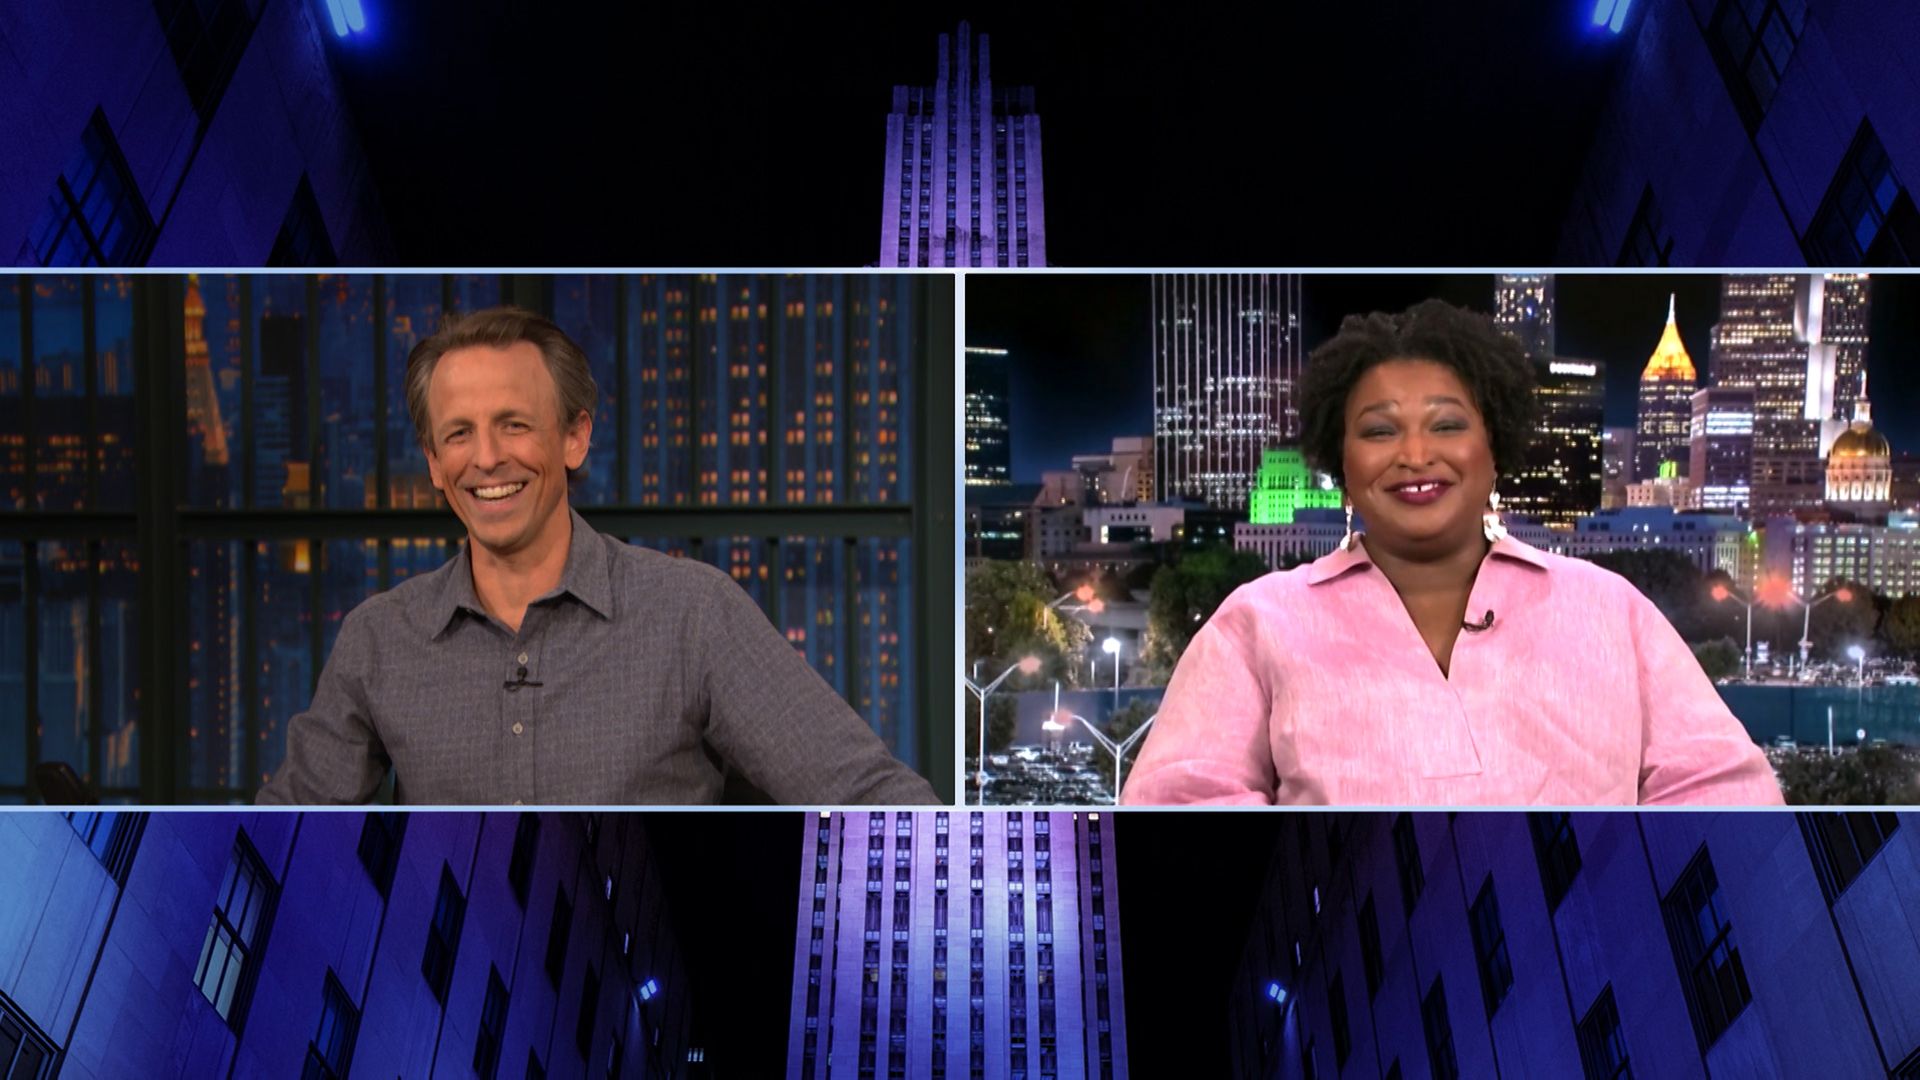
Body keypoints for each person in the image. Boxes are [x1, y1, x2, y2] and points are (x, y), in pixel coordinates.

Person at [258, 307, 936, 805]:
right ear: (435, 463)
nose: (487, 458)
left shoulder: (691, 613)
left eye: (514, 425)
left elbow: (866, 793)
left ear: (575, 437)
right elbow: (283, 825)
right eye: (459, 434)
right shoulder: (379, 638)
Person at [1122, 300, 1783, 806]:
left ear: (1493, 447)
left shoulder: (1611, 607)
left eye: (1446, 424)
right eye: (1380, 431)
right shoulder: (1258, 620)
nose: (1415, 455)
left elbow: (1727, 792)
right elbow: (1179, 799)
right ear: (1341, 462)